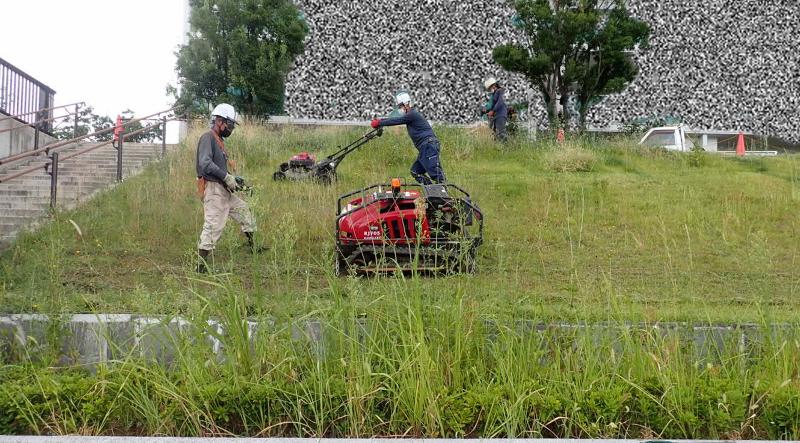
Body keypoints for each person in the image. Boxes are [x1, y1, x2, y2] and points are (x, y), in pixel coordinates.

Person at [195, 103, 260, 273]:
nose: (230, 129)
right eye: (229, 125)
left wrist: (235, 179)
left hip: (224, 190)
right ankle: (201, 267)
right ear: (218, 121)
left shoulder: (219, 141)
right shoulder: (207, 138)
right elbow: (205, 163)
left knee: (245, 212)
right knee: (213, 225)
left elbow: (221, 170)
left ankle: (253, 248)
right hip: (213, 190)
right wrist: (226, 176)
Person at [370, 92, 446, 185]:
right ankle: (432, 191)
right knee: (415, 171)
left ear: (407, 104)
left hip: (428, 145)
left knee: (435, 173)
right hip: (425, 148)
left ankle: (444, 195)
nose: (400, 109)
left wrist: (379, 122)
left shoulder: (412, 114)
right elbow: (396, 119)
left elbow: (396, 120)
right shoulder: (410, 116)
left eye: (401, 106)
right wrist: (381, 122)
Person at [484, 77, 508, 142]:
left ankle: (505, 147)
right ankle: (498, 147)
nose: (490, 89)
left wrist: (493, 111)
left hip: (501, 114)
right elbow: (494, 104)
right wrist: (488, 111)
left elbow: (500, 102)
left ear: (493, 85)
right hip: (496, 115)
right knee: (495, 133)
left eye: (490, 88)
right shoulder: (495, 93)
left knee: (501, 132)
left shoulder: (500, 91)